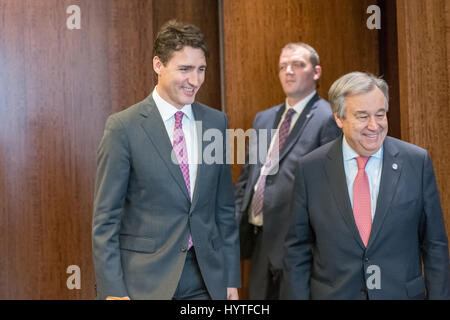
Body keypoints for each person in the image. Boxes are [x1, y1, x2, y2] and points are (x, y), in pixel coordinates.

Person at [92, 20, 240, 300]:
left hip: (205, 281)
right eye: (184, 69)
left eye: (201, 69)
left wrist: (230, 277)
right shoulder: (123, 127)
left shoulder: (216, 123)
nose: (195, 80)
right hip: (144, 282)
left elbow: (224, 209)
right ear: (158, 65)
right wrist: (113, 291)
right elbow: (105, 220)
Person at [283, 71, 450, 299]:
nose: (374, 126)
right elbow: (297, 250)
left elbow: (435, 245)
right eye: (362, 116)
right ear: (339, 118)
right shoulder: (310, 169)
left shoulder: (416, 163)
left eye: (380, 115)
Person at [234, 42, 341, 299]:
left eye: (297, 65)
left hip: (298, 248)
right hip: (259, 241)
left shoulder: (328, 119)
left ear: (316, 72)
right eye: (283, 66)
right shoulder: (263, 118)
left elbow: (329, 193)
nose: (288, 71)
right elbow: (248, 179)